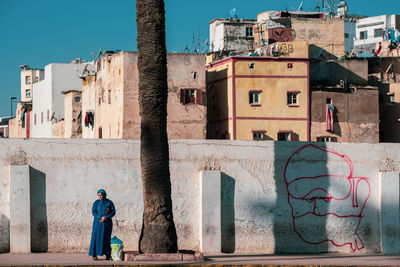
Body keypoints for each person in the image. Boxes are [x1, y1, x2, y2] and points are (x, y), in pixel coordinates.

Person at [89, 189, 116, 261]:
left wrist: (106, 217)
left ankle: (108, 255)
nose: (100, 196)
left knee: (106, 238)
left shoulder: (109, 202)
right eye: (98, 195)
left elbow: (113, 212)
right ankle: (94, 254)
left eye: (101, 195)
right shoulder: (96, 202)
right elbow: (93, 212)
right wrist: (100, 217)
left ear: (104, 194)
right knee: (95, 238)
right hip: (98, 223)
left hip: (107, 223)